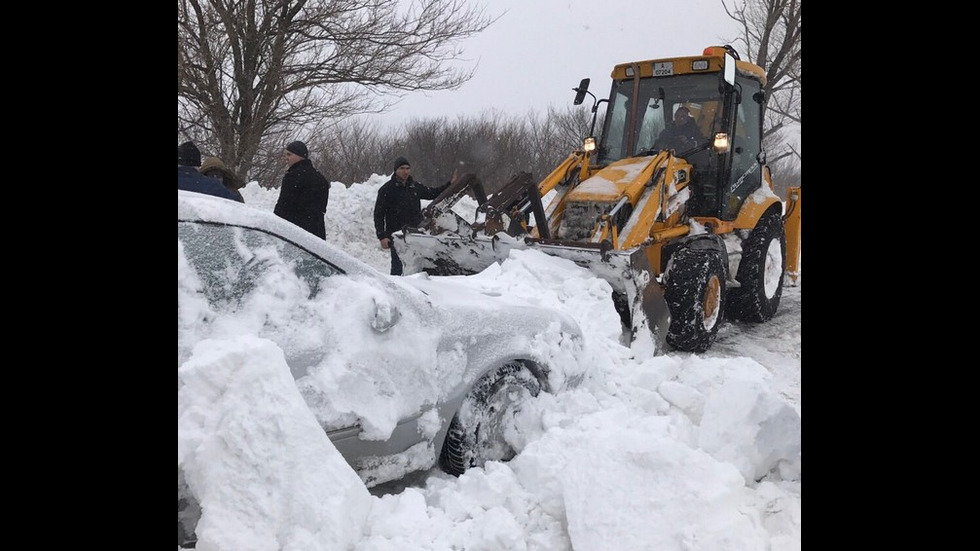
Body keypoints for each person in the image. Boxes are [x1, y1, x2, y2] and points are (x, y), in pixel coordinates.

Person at [374, 157, 455, 275]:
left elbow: (433, 193)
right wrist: (382, 236)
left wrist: (449, 185)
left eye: (407, 168)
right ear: (396, 170)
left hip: (415, 234)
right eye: (402, 168)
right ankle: (395, 290)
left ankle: (414, 289)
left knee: (415, 267)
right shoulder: (387, 189)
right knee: (398, 267)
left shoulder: (415, 187)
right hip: (397, 236)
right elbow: (378, 214)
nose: (405, 171)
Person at [273, 141, 331, 239]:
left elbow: (283, 207)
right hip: (317, 233)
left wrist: (275, 227)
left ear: (298, 155)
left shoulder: (292, 176)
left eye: (289, 154)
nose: (286, 158)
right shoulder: (321, 179)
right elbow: (321, 209)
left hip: (296, 234)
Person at [178, 141, 243, 202]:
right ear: (198, 165)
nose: (215, 177)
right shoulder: (214, 187)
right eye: (210, 174)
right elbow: (239, 207)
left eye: (218, 174)